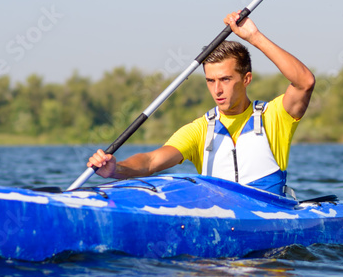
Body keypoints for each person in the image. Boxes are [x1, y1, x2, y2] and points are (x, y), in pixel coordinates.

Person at [86, 11, 315, 195]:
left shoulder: (273, 116)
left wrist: (254, 37)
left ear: (246, 79)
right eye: (210, 80)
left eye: (225, 79)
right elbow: (150, 162)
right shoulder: (200, 130)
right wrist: (117, 169)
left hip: (270, 221)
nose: (217, 90)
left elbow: (304, 82)